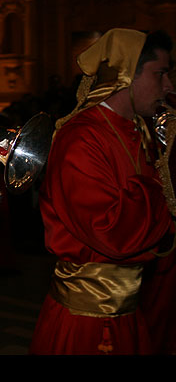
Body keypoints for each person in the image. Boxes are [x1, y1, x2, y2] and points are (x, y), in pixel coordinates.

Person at [29, 28, 176, 355]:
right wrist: (165, 183)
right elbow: (110, 230)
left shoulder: (140, 130)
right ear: (127, 76)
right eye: (161, 74)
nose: (168, 87)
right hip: (88, 320)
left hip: (128, 313)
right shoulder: (80, 138)